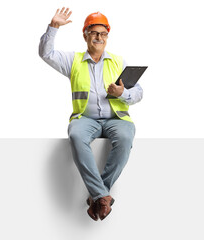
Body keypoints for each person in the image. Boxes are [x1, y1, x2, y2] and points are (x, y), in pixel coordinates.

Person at [39, 7, 143, 221]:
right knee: (76, 136)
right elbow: (46, 53)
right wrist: (54, 27)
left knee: (125, 137)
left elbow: (138, 92)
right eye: (94, 32)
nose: (99, 37)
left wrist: (122, 93)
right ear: (85, 34)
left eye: (103, 33)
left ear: (108, 36)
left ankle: (98, 196)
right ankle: (103, 195)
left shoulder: (117, 61)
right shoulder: (73, 60)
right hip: (85, 119)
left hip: (116, 118)